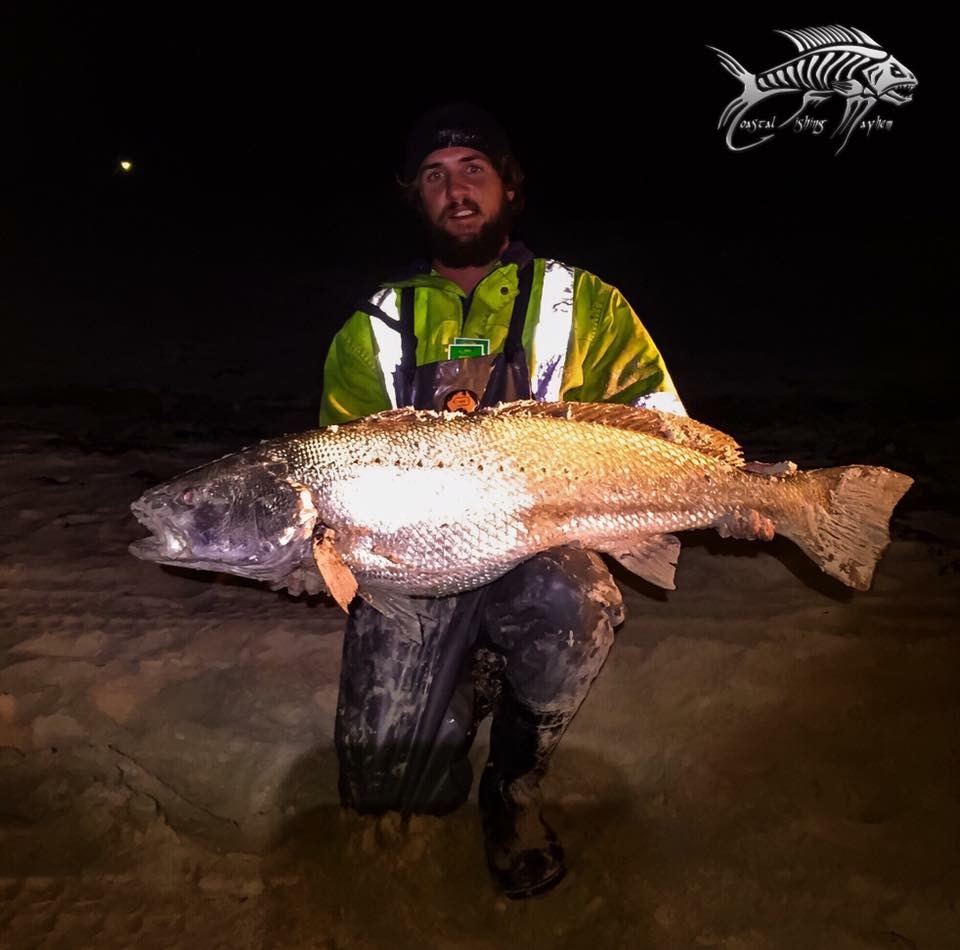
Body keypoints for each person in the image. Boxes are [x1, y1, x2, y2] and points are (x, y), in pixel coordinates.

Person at [319, 102, 686, 899]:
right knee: (389, 788)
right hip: (415, 568)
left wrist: (729, 492)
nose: (455, 190)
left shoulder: (584, 303)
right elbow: (337, 469)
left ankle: (514, 782)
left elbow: (660, 425)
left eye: (473, 170)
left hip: (539, 554)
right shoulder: (370, 327)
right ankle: (475, 671)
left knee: (578, 601)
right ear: (415, 196)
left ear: (510, 187)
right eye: (434, 175)